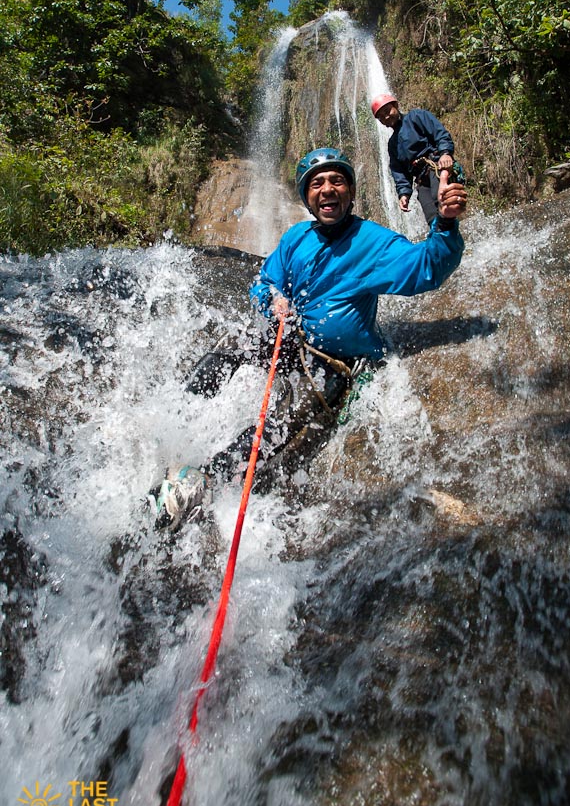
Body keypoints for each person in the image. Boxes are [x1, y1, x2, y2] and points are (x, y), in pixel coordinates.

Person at [154, 146, 467, 528]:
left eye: (337, 181)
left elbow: (426, 267)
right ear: (306, 196)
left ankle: (205, 481)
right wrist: (273, 299)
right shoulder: (296, 238)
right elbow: (265, 281)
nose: (327, 189)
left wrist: (445, 222)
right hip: (293, 338)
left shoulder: (372, 242)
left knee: (285, 418)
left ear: (351, 192)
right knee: (228, 348)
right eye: (317, 183)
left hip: (334, 363)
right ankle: (173, 425)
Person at [371, 93, 464, 225]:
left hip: (436, 166)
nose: (386, 117)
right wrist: (404, 194)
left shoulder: (416, 117)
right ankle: (442, 236)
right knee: (431, 216)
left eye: (387, 111)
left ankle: (453, 231)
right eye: (381, 117)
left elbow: (440, 134)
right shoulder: (392, 144)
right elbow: (399, 171)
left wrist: (445, 153)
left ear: (396, 106)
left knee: (441, 200)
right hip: (421, 178)